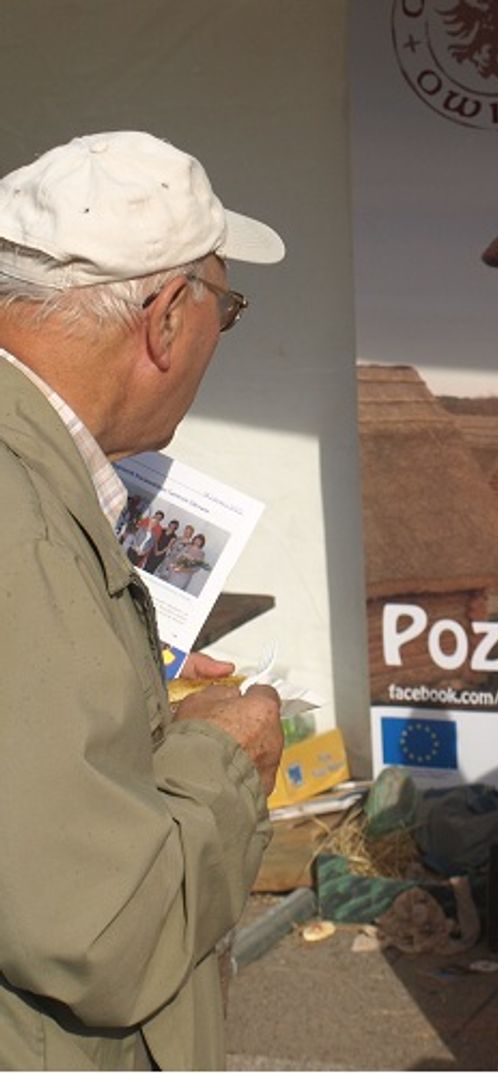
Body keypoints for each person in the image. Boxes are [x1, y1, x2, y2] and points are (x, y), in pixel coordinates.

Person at [0, 130, 286, 1069]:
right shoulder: (23, 524)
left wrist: (143, 717)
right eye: (226, 310)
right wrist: (225, 756)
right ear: (166, 318)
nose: (218, 340)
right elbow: (105, 927)